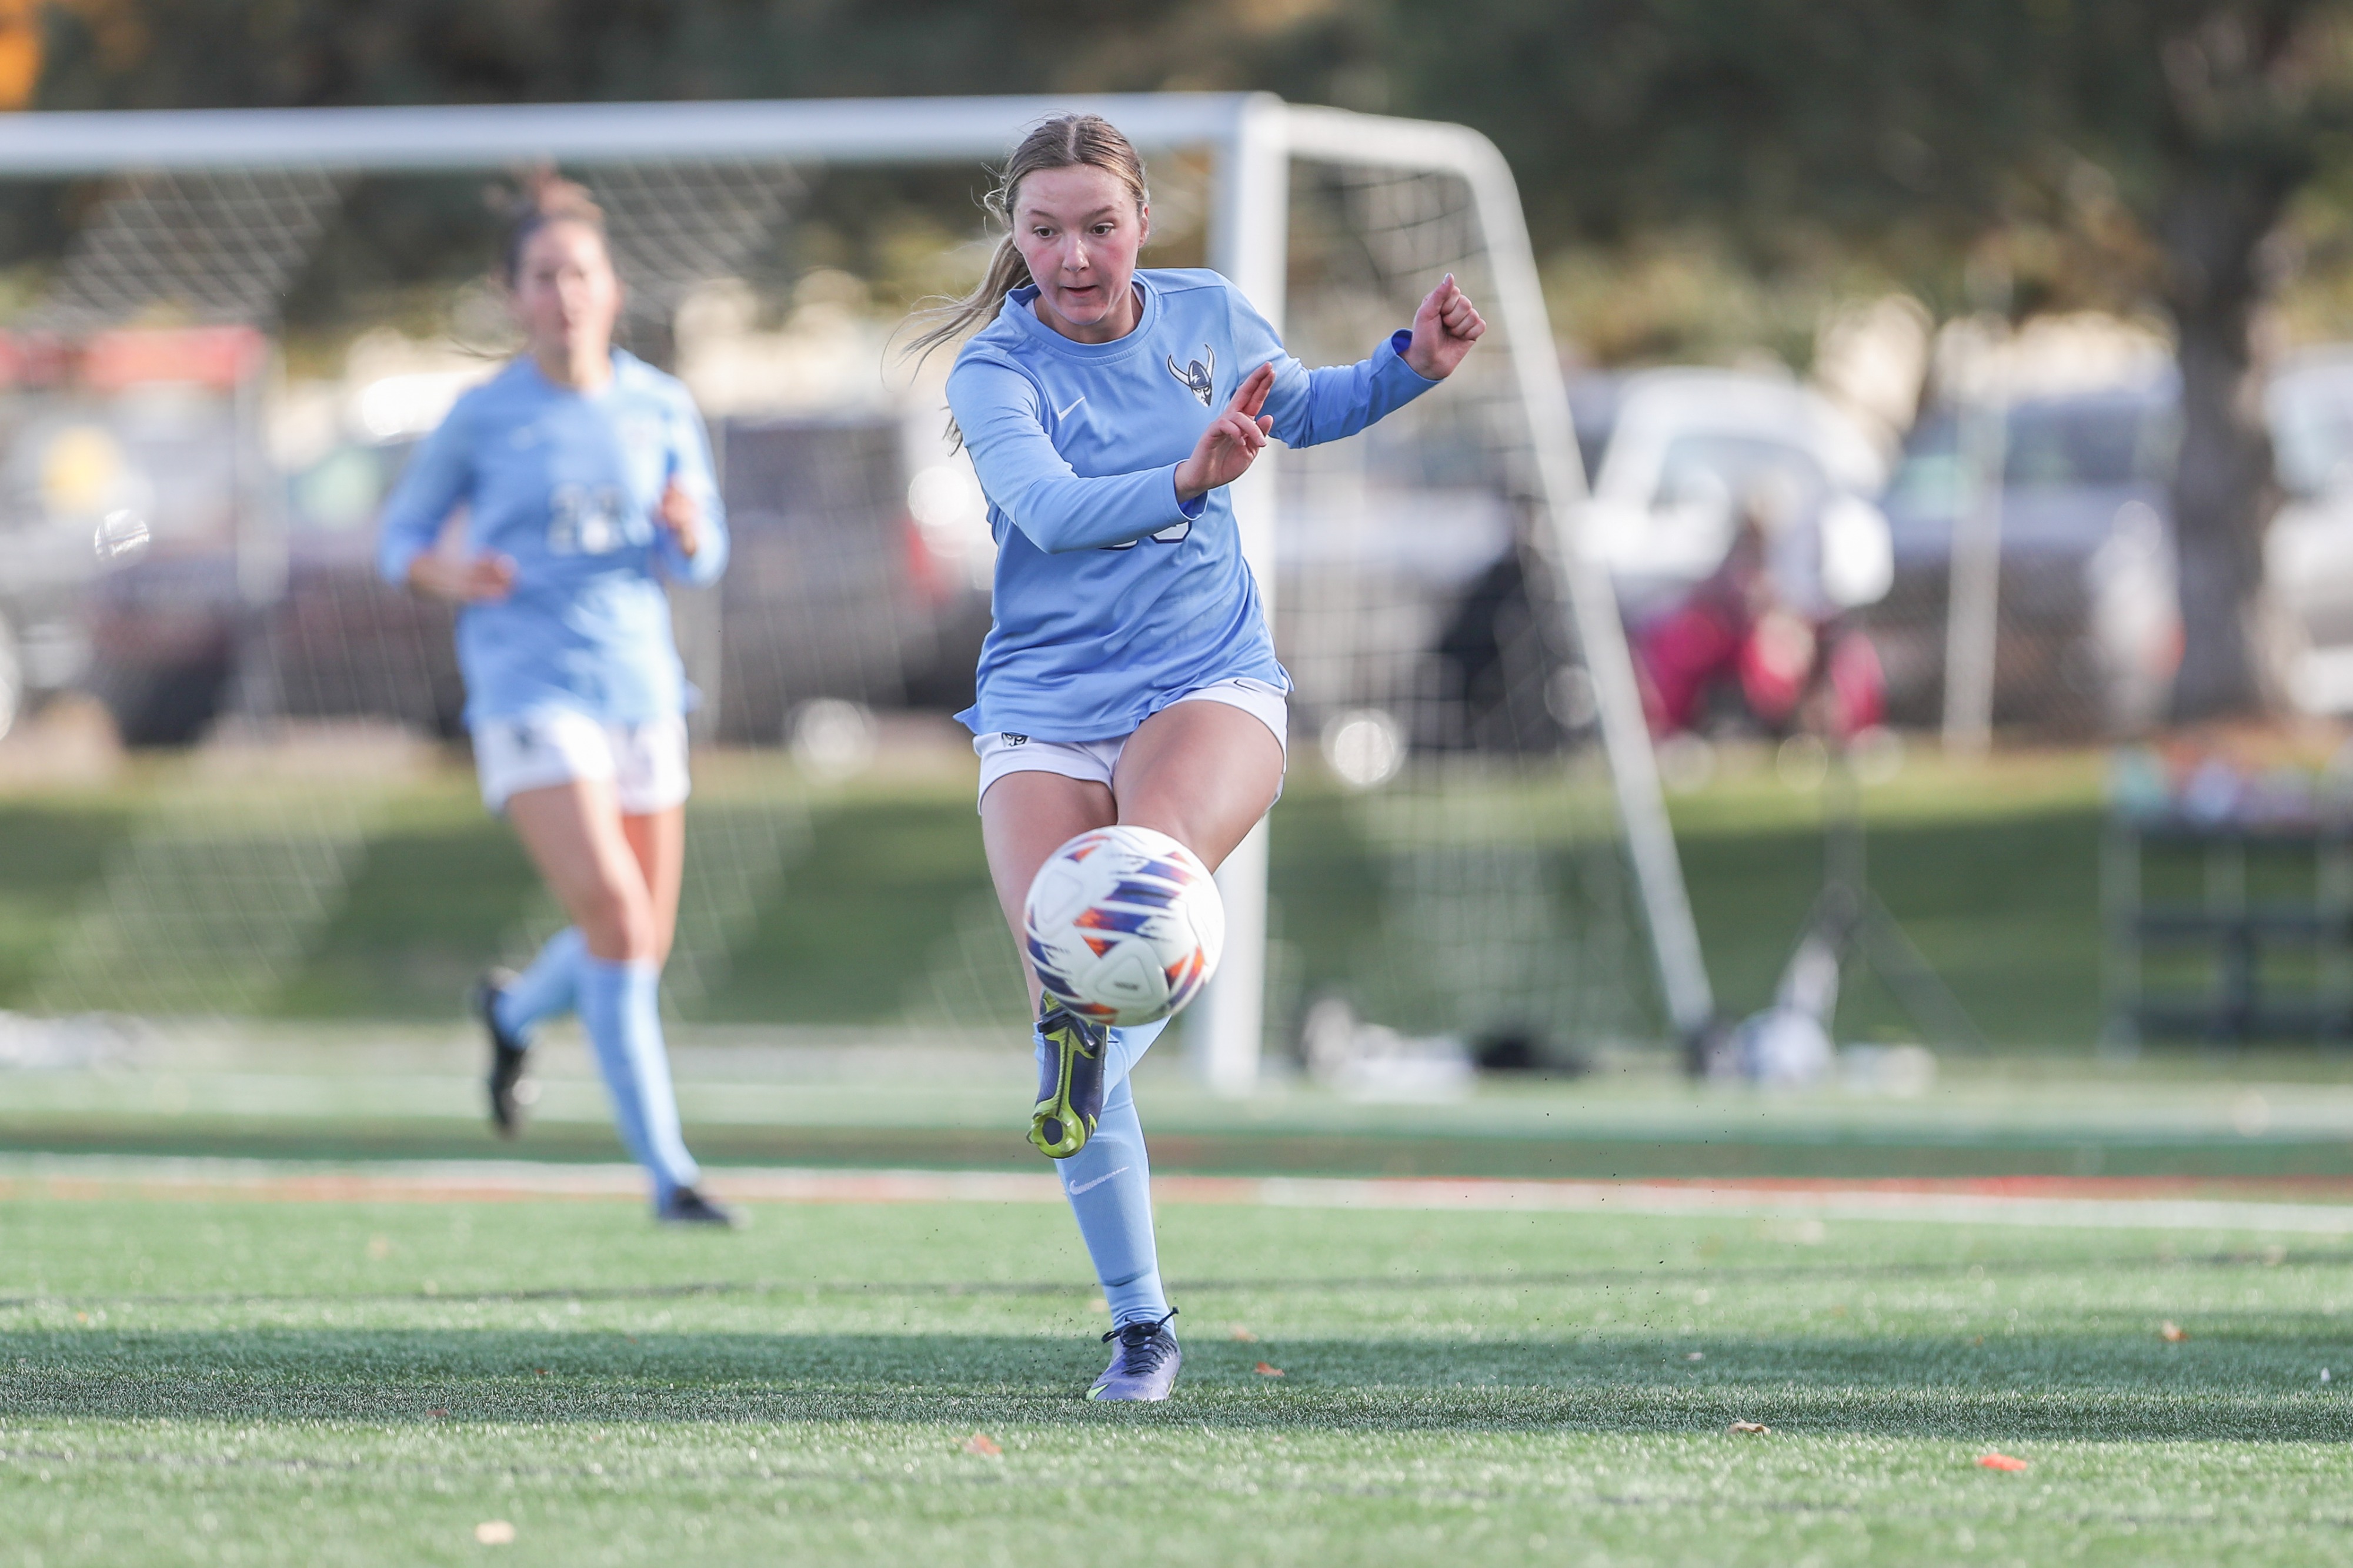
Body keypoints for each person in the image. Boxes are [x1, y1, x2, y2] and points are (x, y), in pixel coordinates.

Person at [910, 114, 1484, 1400]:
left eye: (1098, 227)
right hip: (1043, 707)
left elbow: (1306, 405)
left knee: (1130, 901)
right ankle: (1142, 1327)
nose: (1073, 256)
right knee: (1074, 984)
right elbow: (1050, 511)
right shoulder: (993, 371)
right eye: (1045, 230)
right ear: (1015, 232)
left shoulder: (1207, 311)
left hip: (1203, 679)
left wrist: (1412, 362)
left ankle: (1083, 1053)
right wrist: (1185, 475)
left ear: (1142, 225)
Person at [375, 175, 735, 1226]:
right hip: (527, 687)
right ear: (512, 294)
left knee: (636, 943)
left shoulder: (660, 404)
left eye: (580, 274)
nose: (564, 294)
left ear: (611, 287)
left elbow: (703, 554)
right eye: (542, 277)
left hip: (641, 689)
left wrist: (686, 530)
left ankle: (513, 1012)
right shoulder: (484, 416)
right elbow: (400, 539)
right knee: (617, 918)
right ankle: (670, 1177)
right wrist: (448, 572)